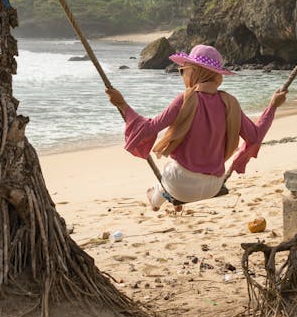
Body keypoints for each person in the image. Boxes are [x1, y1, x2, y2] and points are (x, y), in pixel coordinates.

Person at [105, 44, 287, 211]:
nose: (183, 74)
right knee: (175, 175)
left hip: (180, 183)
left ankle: (157, 199)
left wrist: (122, 105)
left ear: (195, 72)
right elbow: (255, 136)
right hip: (214, 185)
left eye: (184, 70)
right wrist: (272, 106)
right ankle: (170, 196)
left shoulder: (185, 99)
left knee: (169, 172)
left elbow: (149, 128)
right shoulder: (231, 104)